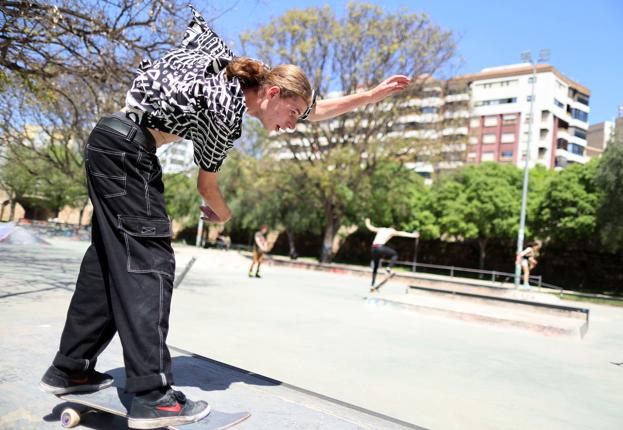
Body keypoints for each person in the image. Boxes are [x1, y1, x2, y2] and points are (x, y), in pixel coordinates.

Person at [39, 5, 411, 429]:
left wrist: (370, 96)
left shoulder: (238, 73)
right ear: (272, 95)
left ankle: (71, 368)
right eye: (290, 115)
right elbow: (207, 189)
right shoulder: (227, 110)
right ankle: (151, 396)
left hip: (108, 143)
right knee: (150, 266)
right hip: (128, 155)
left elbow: (316, 109)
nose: (292, 125)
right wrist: (223, 212)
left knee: (108, 262)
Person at [365, 218, 419, 289]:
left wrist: (367, 222)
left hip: (373, 249)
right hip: (380, 247)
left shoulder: (382, 229)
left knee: (375, 266)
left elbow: (371, 228)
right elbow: (401, 233)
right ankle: (388, 269)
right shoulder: (392, 231)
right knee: (395, 255)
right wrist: (413, 235)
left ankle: (372, 284)